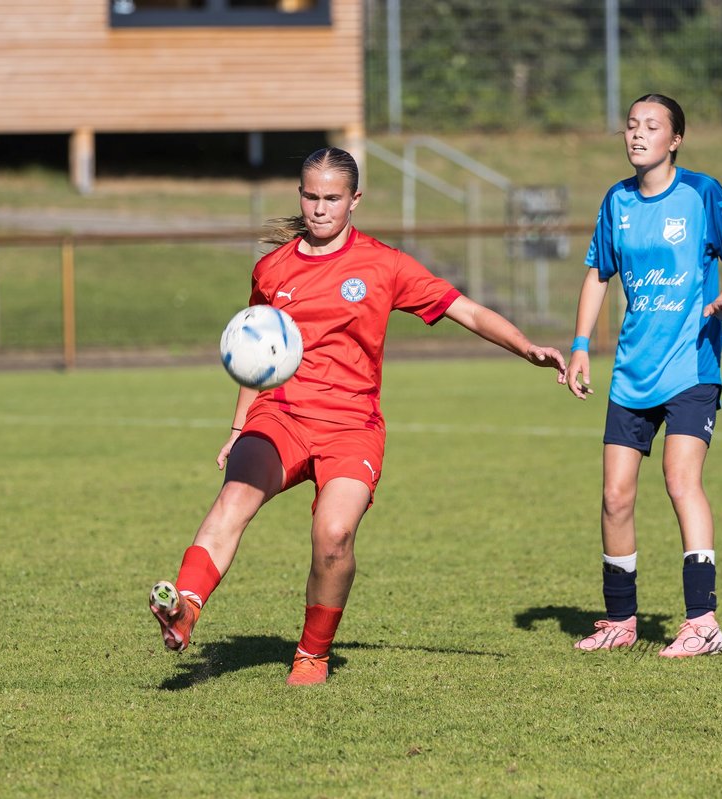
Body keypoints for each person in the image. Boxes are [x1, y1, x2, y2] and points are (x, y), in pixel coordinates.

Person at [150, 146, 567, 685]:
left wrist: (526, 347)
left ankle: (312, 653)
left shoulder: (384, 264)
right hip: (280, 415)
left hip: (350, 425)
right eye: (310, 196)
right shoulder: (272, 269)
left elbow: (466, 309)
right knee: (232, 501)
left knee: (335, 534)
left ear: (355, 200)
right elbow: (258, 356)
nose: (319, 208)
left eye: (332, 198)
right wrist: (238, 429)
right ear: (299, 195)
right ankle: (184, 608)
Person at [565, 93, 722, 658]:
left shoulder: (701, 193)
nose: (637, 135)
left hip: (692, 365)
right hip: (631, 372)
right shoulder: (616, 201)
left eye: (652, 127)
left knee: (680, 480)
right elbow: (599, 273)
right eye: (630, 125)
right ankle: (621, 620)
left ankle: (703, 622)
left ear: (675, 140)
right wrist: (579, 345)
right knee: (615, 497)